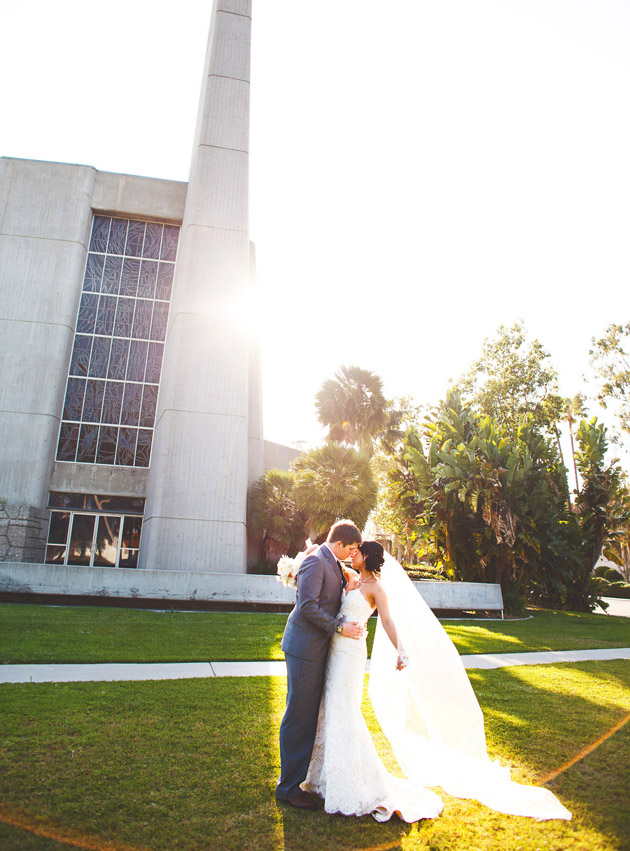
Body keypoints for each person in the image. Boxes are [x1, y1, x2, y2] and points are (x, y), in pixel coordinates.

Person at [302, 541, 572, 823]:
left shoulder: (376, 588)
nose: (352, 554)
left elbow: (388, 622)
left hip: (351, 654)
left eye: (358, 551)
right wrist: (306, 555)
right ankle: (325, 778)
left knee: (345, 710)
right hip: (335, 651)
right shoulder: (352, 578)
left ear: (367, 556)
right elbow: (325, 560)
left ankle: (349, 782)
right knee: (330, 708)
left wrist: (401, 649)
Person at [275, 520, 364, 809]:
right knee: (299, 716)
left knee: (308, 715)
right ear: (338, 543)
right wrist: (339, 627)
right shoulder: (315, 561)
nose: (352, 554)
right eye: (350, 549)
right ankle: (288, 788)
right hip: (304, 649)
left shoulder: (332, 560)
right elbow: (308, 606)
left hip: (316, 650)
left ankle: (296, 781)